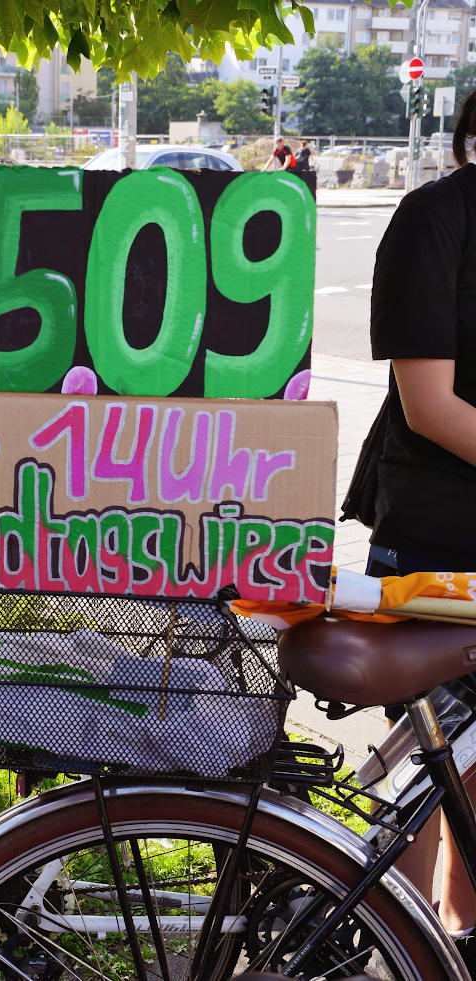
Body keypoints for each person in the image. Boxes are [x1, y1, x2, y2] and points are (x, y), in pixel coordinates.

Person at [365, 89, 476, 972]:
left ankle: (452, 946)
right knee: (428, 782)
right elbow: (430, 402)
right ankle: (375, 942)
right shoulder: (434, 218)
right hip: (438, 537)